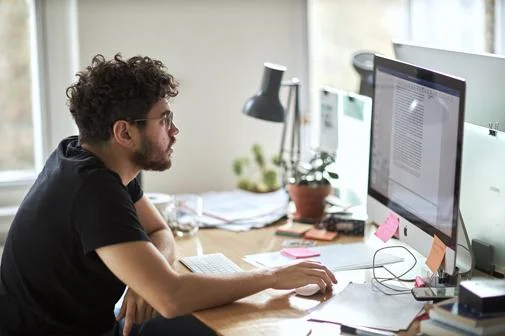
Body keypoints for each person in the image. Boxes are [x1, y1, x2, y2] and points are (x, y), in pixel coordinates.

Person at [0, 54, 337, 335]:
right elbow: (171, 296)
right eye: (164, 119)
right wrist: (273, 277)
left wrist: (144, 279)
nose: (175, 131)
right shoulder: (94, 189)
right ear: (125, 132)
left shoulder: (88, 155)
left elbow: (159, 231)